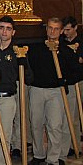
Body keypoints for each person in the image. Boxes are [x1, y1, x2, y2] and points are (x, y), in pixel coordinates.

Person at [0, 16, 33, 165]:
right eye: (2, 28)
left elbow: (29, 78)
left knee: (4, 136)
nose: (4, 31)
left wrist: (23, 65)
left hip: (7, 99)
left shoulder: (18, 52)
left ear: (13, 32)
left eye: (8, 29)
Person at [27, 17, 81, 165]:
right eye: (50, 28)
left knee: (55, 125)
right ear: (46, 29)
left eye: (56, 29)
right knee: (36, 123)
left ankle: (53, 158)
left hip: (56, 92)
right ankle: (38, 154)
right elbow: (27, 68)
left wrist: (65, 80)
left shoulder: (66, 51)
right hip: (37, 90)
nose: (52, 31)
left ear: (61, 31)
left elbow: (78, 71)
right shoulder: (36, 49)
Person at [58, 16, 83, 161]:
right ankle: (68, 145)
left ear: (75, 28)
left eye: (68, 30)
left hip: (78, 82)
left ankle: (76, 146)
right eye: (64, 30)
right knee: (65, 116)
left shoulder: (81, 42)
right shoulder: (61, 43)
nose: (65, 33)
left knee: (75, 116)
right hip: (66, 82)